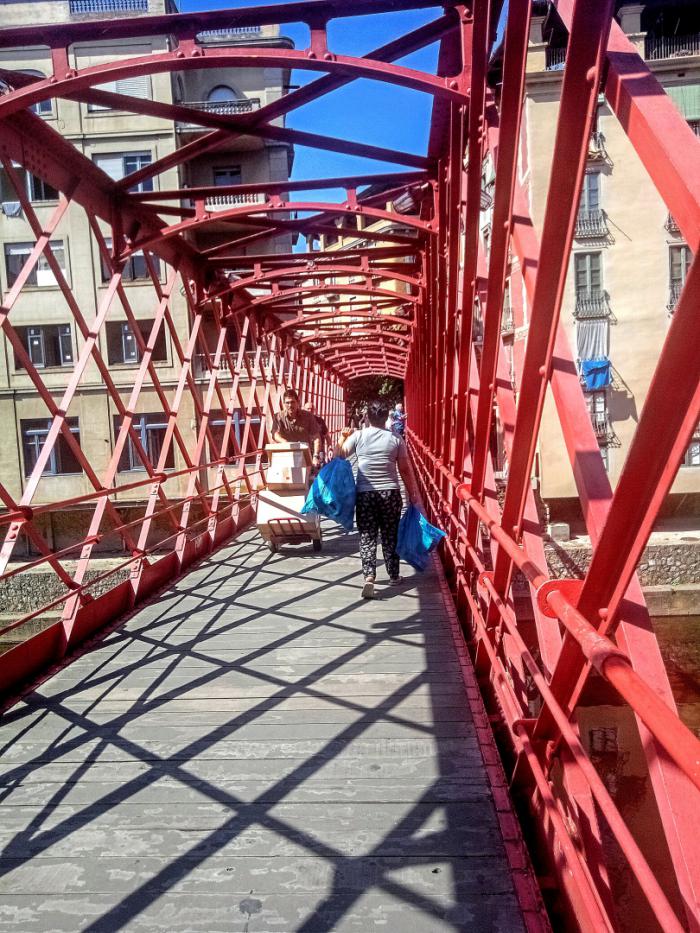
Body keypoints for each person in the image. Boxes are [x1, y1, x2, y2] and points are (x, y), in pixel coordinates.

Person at [336, 402, 420, 599]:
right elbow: (404, 469)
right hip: (390, 493)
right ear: (385, 418)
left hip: (365, 494)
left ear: (367, 417)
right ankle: (394, 575)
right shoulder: (396, 438)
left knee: (367, 535)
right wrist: (412, 492)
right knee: (390, 535)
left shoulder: (359, 436)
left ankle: (369, 576)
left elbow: (338, 455)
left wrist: (342, 437)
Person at [271, 389, 321, 464]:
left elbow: (316, 437)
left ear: (298, 402)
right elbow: (275, 434)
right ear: (284, 403)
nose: (290, 405)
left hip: (305, 456)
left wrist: (316, 456)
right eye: (287, 403)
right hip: (286, 455)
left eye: (292, 402)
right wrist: (286, 443)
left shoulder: (308, 416)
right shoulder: (278, 417)